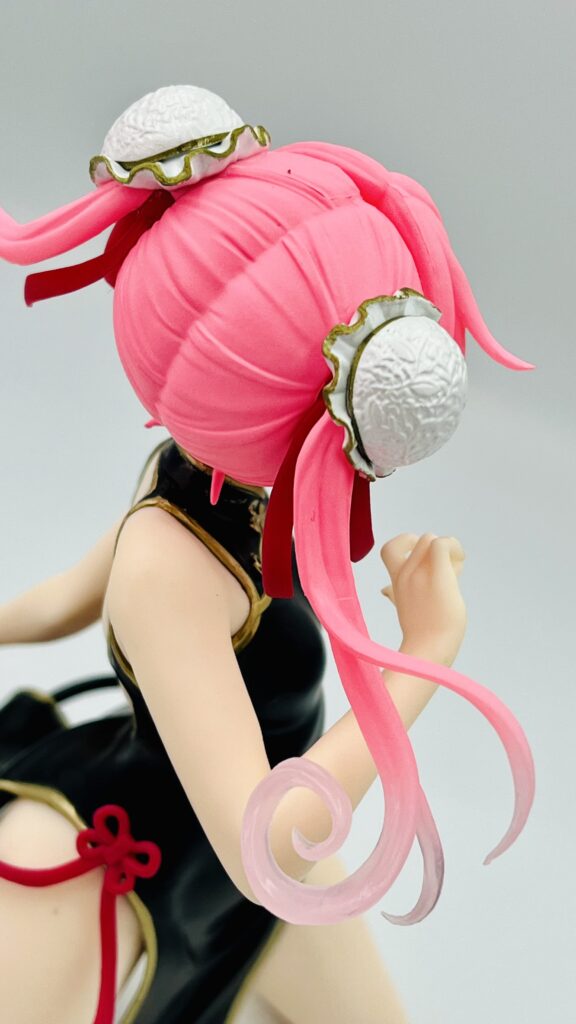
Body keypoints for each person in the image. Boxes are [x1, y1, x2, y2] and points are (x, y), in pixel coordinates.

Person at [0, 85, 534, 1024]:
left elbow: (57, 604)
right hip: (183, 848)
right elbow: (265, 842)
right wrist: (424, 655)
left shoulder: (206, 481)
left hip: (274, 853)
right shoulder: (170, 569)